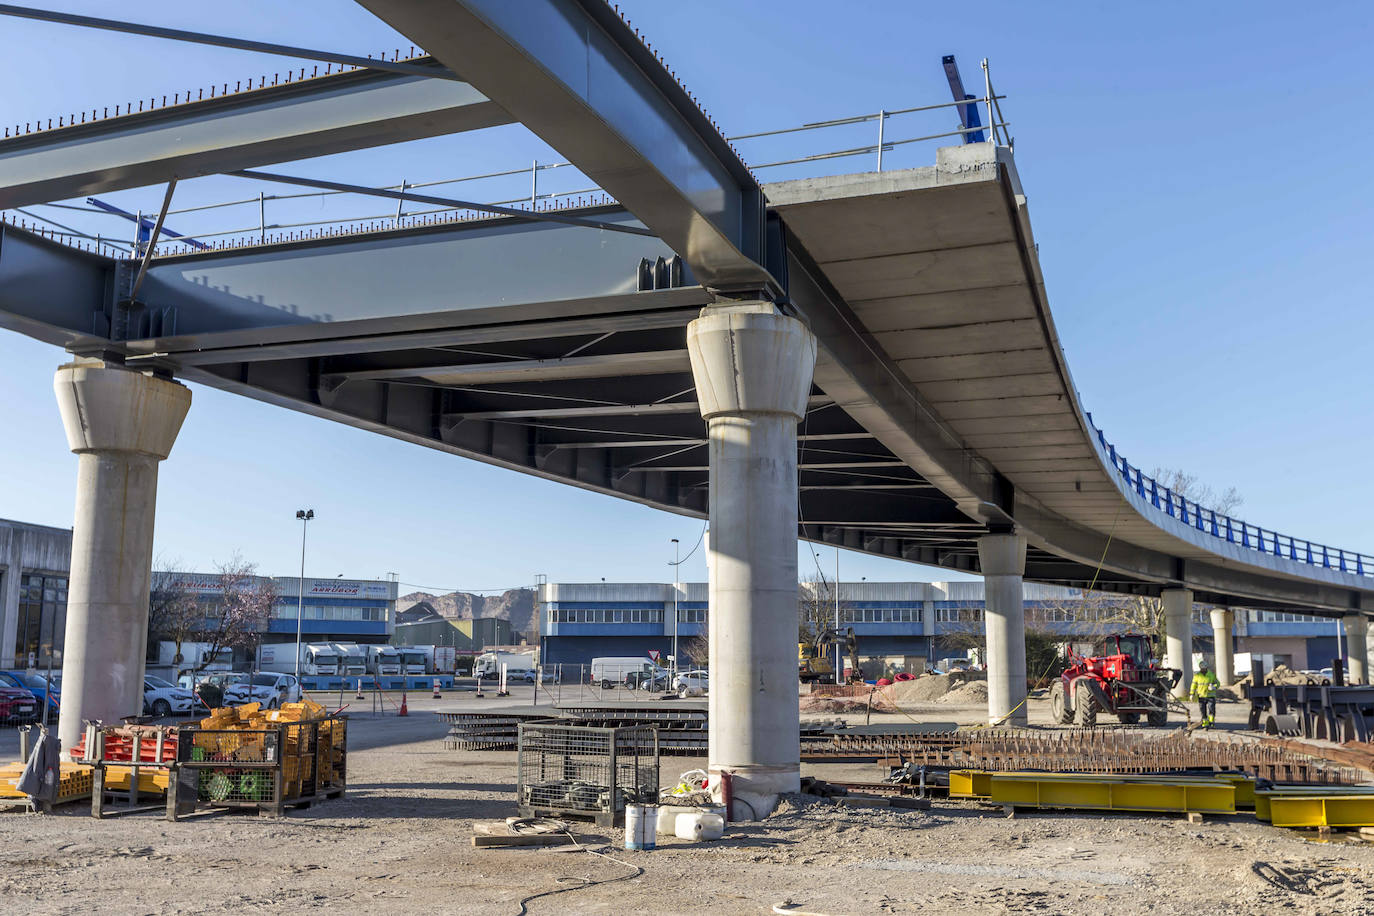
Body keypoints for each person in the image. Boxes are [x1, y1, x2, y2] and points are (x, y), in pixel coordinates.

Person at [1190, 661, 1219, 728]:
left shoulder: (1211, 675)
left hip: (1210, 696)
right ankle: (1205, 724)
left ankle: (1211, 723)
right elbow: (1193, 685)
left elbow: (1218, 683)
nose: (1203, 670)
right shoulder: (1197, 676)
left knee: (1211, 709)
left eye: (1204, 668)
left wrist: (1214, 686)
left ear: (1206, 667)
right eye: (1202, 668)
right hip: (1201, 696)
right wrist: (1192, 694)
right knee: (1203, 711)